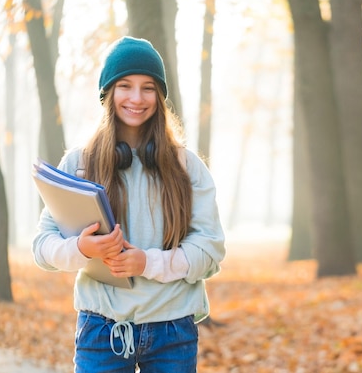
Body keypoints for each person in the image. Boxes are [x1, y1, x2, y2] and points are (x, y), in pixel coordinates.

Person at [32, 36, 226, 373]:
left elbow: (209, 253)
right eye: (125, 85)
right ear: (108, 93)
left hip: (173, 331)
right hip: (100, 329)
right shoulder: (79, 163)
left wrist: (146, 263)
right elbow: (42, 248)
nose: (137, 98)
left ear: (160, 96)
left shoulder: (187, 166)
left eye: (148, 87)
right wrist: (82, 248)